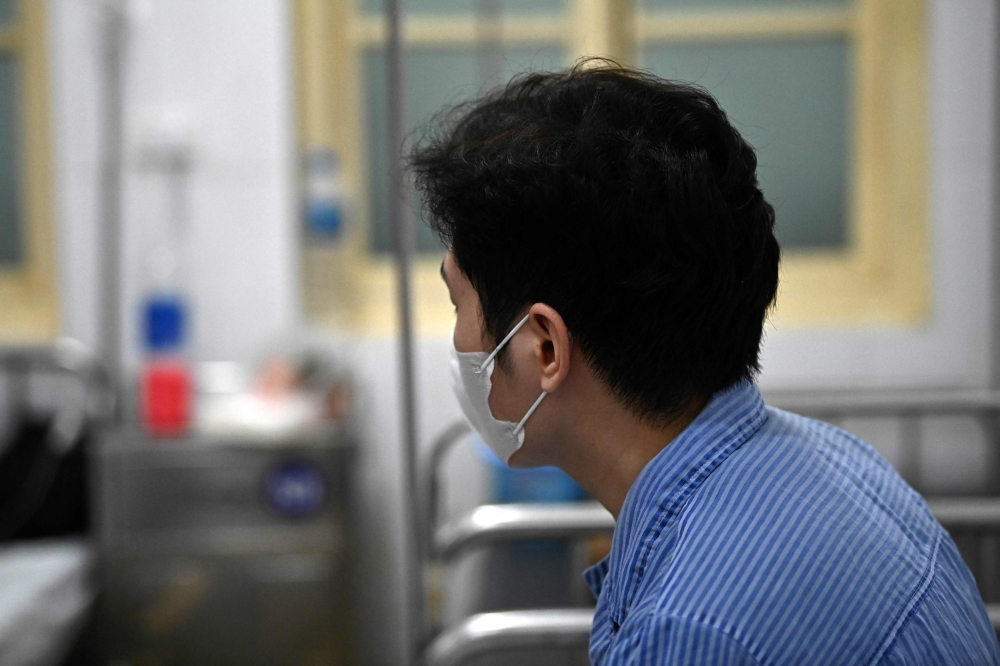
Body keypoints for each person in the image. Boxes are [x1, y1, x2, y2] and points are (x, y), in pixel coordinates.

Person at [413, 61, 1000, 665]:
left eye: (458, 303)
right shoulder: (841, 461)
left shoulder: (686, 632)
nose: (458, 338)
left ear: (545, 348)